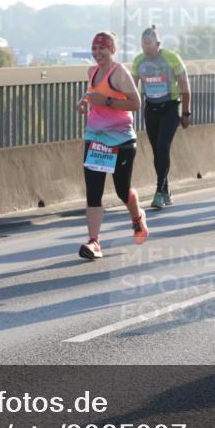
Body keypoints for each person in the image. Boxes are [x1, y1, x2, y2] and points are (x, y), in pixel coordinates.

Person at [77, 31, 148, 259]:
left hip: (121, 139)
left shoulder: (120, 73)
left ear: (112, 50)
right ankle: (94, 242)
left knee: (121, 190)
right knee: (93, 191)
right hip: (95, 138)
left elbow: (135, 103)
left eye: (103, 49)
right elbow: (93, 93)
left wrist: (107, 101)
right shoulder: (92, 71)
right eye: (95, 49)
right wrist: (84, 101)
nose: (98, 53)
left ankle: (137, 219)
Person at [132, 26, 191, 208]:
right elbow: (132, 90)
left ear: (158, 44)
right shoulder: (138, 61)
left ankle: (159, 191)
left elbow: (185, 87)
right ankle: (166, 191)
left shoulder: (171, 58)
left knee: (163, 146)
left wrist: (186, 112)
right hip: (151, 109)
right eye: (143, 45)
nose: (146, 48)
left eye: (149, 44)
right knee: (157, 151)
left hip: (170, 107)